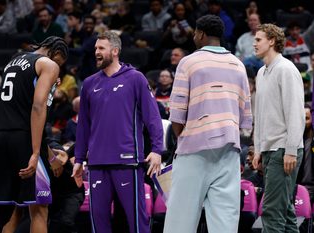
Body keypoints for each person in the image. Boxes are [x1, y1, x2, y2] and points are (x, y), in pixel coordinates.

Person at [163, 14, 252, 233]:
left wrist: (183, 136)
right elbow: (244, 115)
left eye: (194, 32)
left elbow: (177, 113)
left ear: (200, 34)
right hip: (229, 148)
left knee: (181, 218)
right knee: (225, 219)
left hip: (194, 148)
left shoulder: (189, 62)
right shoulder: (238, 65)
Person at [72, 31, 163, 233]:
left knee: (137, 223)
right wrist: (79, 159)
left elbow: (153, 117)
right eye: (95, 48)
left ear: (114, 51)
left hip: (128, 162)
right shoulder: (88, 84)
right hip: (96, 164)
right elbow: (83, 126)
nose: (96, 52)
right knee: (99, 224)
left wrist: (157, 150)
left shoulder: (136, 78)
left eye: (101, 48)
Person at [0, 36, 68, 233]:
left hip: (1, 139)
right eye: (58, 62)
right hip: (25, 141)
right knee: (39, 208)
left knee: (8, 211)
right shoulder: (46, 64)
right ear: (54, 52)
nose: (56, 68)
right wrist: (37, 153)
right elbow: (38, 107)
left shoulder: (14, 62)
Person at [252, 23, 305, 233]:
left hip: (284, 150)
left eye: (258, 39)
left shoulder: (286, 69)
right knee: (285, 212)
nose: (254, 44)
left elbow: (296, 114)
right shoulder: (260, 72)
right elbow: (261, 115)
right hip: (270, 151)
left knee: (272, 212)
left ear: (272, 41)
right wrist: (258, 149)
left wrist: (291, 150)